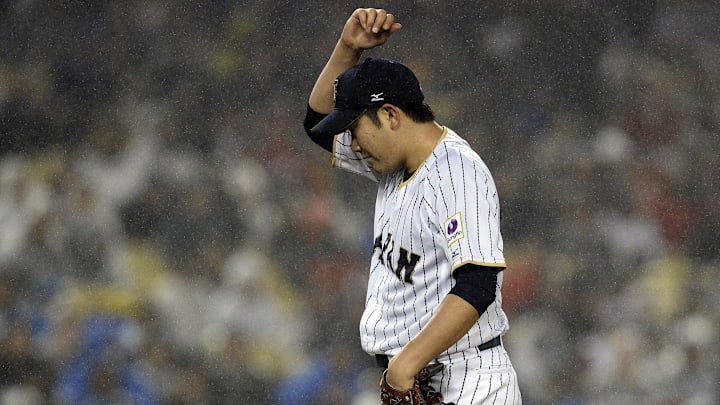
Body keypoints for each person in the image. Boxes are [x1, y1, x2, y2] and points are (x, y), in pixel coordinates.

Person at [302, 8, 522, 404]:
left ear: (390, 115)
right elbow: (316, 122)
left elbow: (478, 284)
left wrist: (404, 367)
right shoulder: (390, 162)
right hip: (417, 377)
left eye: (355, 130)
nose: (351, 144)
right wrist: (348, 47)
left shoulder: (458, 172)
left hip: (464, 378)